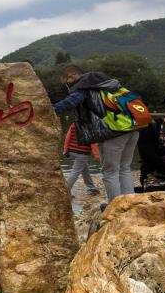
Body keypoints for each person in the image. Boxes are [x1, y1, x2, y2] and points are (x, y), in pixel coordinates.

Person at [54, 65, 140, 202]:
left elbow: (71, 102)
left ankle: (115, 206)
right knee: (124, 168)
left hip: (113, 133)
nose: (67, 86)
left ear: (72, 77)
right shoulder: (109, 84)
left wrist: (50, 110)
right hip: (132, 127)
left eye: (66, 82)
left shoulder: (84, 85)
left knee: (110, 171)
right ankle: (130, 203)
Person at [63, 122, 100, 198]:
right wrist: (96, 154)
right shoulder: (90, 126)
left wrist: (66, 150)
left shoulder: (74, 124)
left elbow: (68, 137)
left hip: (72, 151)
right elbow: (93, 142)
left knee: (84, 169)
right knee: (75, 173)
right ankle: (65, 191)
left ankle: (91, 187)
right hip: (82, 153)